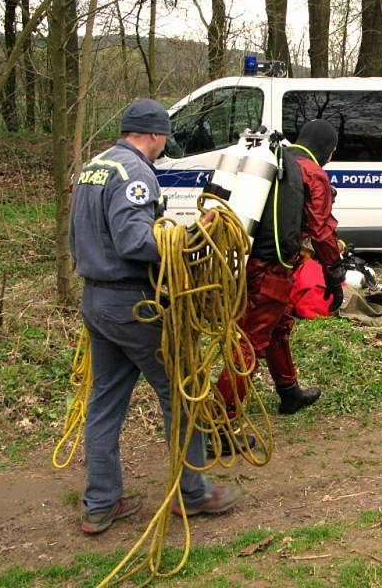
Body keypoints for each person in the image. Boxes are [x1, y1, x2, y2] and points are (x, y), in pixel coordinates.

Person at [69, 99, 239, 534]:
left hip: (97, 301)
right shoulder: (136, 173)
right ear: (155, 135)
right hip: (135, 306)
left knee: (104, 401)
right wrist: (192, 234)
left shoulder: (95, 166)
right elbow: (133, 241)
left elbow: (93, 233)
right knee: (184, 394)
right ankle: (194, 493)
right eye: (164, 138)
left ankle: (100, 503)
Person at [216, 119, 344, 419]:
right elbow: (321, 231)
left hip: (246, 259)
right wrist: (334, 275)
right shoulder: (312, 173)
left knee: (278, 325)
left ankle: (289, 393)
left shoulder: (277, 161)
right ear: (327, 150)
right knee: (251, 339)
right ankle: (220, 419)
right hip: (270, 268)